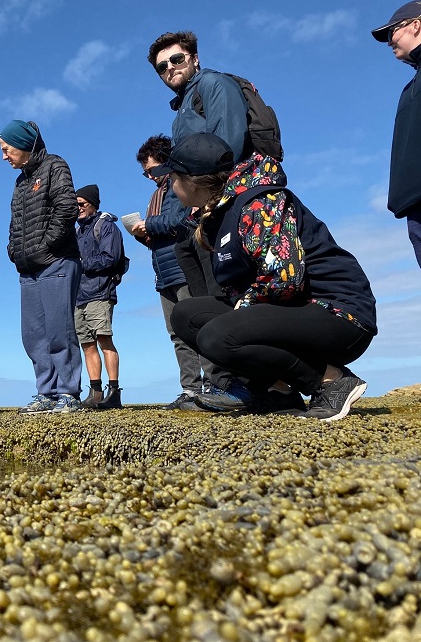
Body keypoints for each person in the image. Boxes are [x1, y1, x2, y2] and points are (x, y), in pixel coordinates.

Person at [163, 133, 377, 421]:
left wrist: (246, 303)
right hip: (291, 310)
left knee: (218, 337)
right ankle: (277, 392)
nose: (170, 186)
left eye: (172, 178)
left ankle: (331, 381)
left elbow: (286, 277)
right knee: (187, 315)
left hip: (339, 313)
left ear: (190, 180)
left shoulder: (259, 202)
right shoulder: (219, 212)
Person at [148, 30, 253, 410]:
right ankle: (221, 385)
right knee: (204, 302)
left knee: (222, 296)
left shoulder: (213, 85)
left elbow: (229, 147)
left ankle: (242, 386)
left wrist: (210, 206)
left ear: (193, 56)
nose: (170, 69)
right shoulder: (183, 106)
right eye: (162, 67)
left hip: (217, 211)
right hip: (195, 217)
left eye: (176, 60)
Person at [0, 120, 82, 414]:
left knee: (60, 330)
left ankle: (69, 393)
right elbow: (14, 223)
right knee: (33, 334)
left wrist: (47, 245)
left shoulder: (55, 165)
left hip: (56, 262)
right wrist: (14, 250)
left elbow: (67, 208)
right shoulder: (20, 181)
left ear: (23, 145)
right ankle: (45, 392)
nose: (4, 156)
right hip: (27, 269)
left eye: (7, 149)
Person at [131, 135, 207, 410]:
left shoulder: (178, 186)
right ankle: (190, 389)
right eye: (145, 173)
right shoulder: (159, 193)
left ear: (165, 162)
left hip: (182, 266)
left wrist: (148, 224)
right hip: (163, 269)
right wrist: (143, 232)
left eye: (151, 170)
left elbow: (178, 220)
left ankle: (211, 386)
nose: (149, 176)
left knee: (197, 328)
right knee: (176, 332)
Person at [371, 0, 421, 268]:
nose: (390, 41)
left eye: (393, 31)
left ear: (416, 25)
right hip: (413, 205)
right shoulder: (409, 88)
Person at [74, 185, 124, 409]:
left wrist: (82, 265)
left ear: (93, 204)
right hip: (79, 296)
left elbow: (110, 258)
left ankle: (114, 392)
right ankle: (95, 392)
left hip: (100, 292)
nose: (78, 209)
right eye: (75, 205)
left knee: (104, 340)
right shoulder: (78, 231)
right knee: (87, 344)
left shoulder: (107, 227)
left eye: (82, 204)